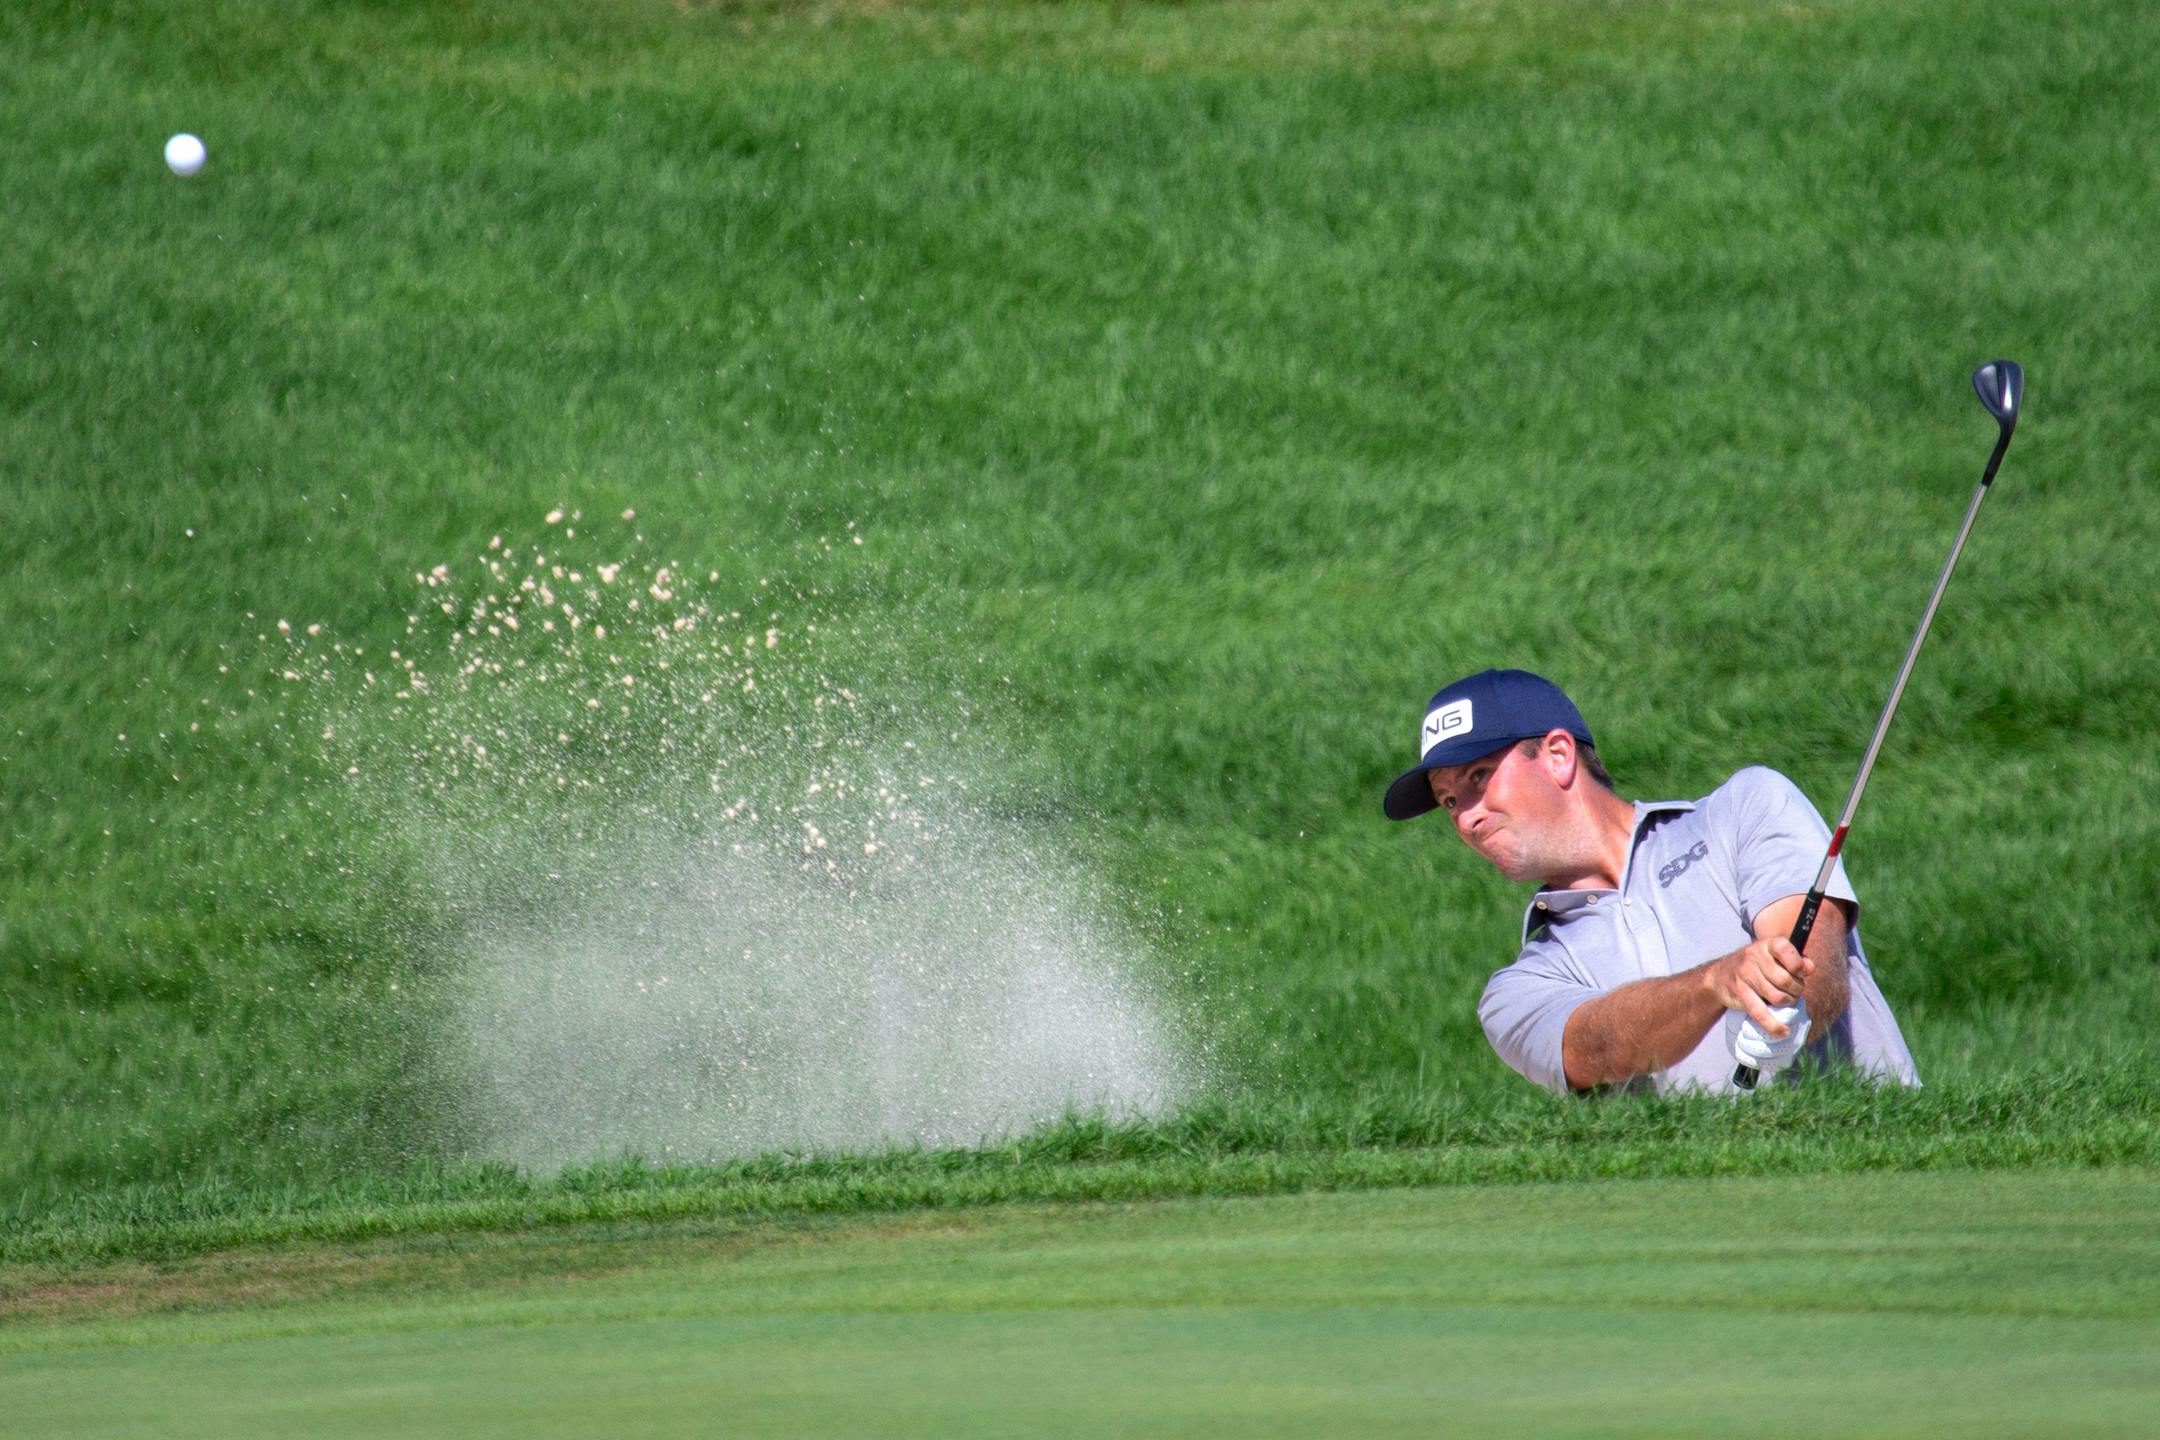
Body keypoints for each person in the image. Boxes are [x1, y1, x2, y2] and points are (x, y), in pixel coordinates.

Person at [1383, 668, 1919, 1095]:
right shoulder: (1518, 990)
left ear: (1558, 755)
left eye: (1478, 778)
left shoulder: (1745, 809)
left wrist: (1788, 1006)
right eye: (1450, 800)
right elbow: (1595, 1047)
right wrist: (1714, 983)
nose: (1466, 818)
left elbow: (1814, 957)